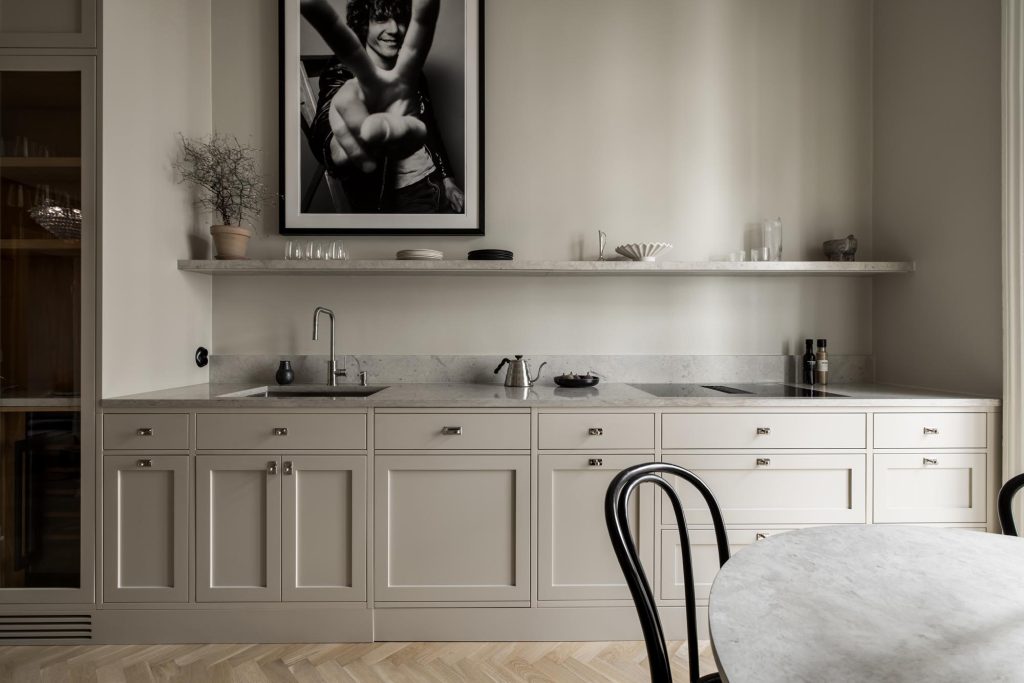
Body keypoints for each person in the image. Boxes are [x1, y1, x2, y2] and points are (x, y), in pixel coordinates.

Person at [304, 0, 464, 214]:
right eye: (381, 19)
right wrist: (348, 144)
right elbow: (325, 128)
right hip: (402, 198)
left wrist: (448, 179)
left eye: (399, 19)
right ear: (364, 23)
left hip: (435, 183)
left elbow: (429, 126)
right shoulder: (341, 71)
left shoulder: (410, 70)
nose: (394, 29)